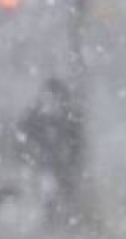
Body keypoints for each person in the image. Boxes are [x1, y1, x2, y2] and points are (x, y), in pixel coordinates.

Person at [18, 78, 84, 224]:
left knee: (62, 189)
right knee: (49, 188)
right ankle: (53, 216)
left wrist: (72, 156)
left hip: (60, 160)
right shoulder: (39, 113)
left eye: (54, 96)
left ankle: (63, 216)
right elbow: (27, 130)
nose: (52, 100)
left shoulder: (67, 114)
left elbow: (76, 139)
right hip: (48, 159)